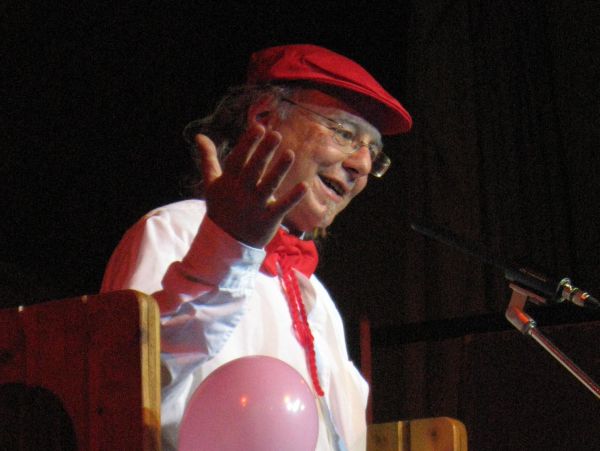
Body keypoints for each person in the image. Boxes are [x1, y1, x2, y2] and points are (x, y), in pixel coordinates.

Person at [101, 44, 412, 451]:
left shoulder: (319, 301)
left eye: (373, 151)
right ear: (264, 117)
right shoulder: (175, 232)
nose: (362, 165)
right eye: (344, 133)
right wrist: (228, 246)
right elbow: (122, 396)